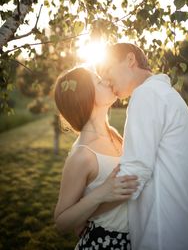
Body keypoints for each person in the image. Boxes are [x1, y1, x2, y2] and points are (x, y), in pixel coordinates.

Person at [99, 42, 188, 250]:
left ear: (130, 60)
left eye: (107, 69)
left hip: (162, 236)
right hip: (181, 231)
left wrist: (90, 212)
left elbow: (132, 176)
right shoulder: (164, 94)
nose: (105, 79)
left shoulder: (146, 94)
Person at [54, 66, 138, 249]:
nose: (107, 81)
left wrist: (88, 213)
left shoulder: (114, 134)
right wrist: (101, 193)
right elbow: (61, 222)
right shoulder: (82, 155)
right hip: (106, 242)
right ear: (87, 98)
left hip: (137, 237)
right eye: (99, 81)